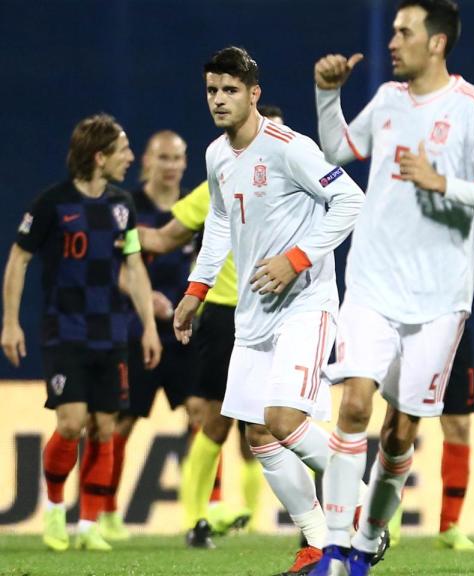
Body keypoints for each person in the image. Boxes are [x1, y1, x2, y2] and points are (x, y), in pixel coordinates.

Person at [310, 0, 474, 573]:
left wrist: (443, 181)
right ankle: (334, 548)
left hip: (439, 303)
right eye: (395, 30)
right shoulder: (385, 102)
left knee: (399, 432)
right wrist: (327, 95)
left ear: (437, 43)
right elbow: (338, 151)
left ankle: (368, 539)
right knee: (353, 404)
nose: (392, 41)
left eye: (405, 32)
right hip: (372, 285)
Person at [172, 46, 364, 575]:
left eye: (231, 90)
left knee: (283, 418)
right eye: (212, 90)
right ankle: (322, 545)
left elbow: (350, 200)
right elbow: (217, 221)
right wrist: (197, 289)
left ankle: (368, 508)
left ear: (254, 94)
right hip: (254, 314)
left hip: (305, 302)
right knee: (258, 432)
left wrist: (295, 258)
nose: (219, 99)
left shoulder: (288, 148)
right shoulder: (216, 156)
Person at [1, 114, 162, 552]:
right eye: (124, 150)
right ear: (99, 156)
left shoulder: (122, 205)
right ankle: (54, 510)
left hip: (111, 333)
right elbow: (19, 259)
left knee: (105, 427)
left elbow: (132, 265)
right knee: (72, 424)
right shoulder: (52, 204)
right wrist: (11, 322)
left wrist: (148, 326)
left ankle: (89, 526)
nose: (130, 157)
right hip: (64, 330)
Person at [141, 104, 286, 548]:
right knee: (216, 423)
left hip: (281, 316)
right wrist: (116, 231)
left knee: (274, 423)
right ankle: (196, 520)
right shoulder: (222, 180)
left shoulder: (299, 188)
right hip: (225, 315)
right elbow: (165, 237)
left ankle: (257, 516)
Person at [99, 130, 199, 543]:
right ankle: (104, 511)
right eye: (163, 157)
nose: (171, 165)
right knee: (122, 422)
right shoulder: (128, 207)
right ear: (147, 161)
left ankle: (202, 513)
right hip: (137, 331)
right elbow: (112, 265)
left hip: (186, 332)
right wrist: (145, 299)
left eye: (177, 157)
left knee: (203, 415)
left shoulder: (194, 208)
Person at [387, 221, 474, 553]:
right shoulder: (408, 190)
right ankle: (387, 515)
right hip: (410, 319)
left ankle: (449, 526)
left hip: (454, 323)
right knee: (400, 421)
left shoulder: (470, 202)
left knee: (459, 423)